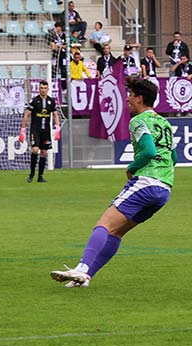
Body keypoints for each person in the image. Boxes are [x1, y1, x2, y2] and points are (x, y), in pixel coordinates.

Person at [50, 78, 176, 288]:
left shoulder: (138, 121)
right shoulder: (165, 123)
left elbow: (149, 151)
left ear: (139, 98)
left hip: (146, 182)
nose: (127, 98)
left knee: (104, 225)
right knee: (117, 232)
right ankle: (86, 277)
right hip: (164, 189)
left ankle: (81, 268)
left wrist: (132, 168)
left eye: (130, 94)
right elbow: (173, 159)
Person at [18, 80, 61, 183]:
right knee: (35, 149)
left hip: (46, 130)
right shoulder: (34, 101)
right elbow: (27, 115)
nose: (43, 90)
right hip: (35, 129)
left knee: (44, 152)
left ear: (48, 89)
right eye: (41, 88)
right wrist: (22, 130)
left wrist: (57, 129)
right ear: (39, 89)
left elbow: (55, 115)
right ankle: (32, 173)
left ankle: (40, 176)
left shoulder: (51, 101)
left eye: (45, 88)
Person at [49, 22, 67, 90]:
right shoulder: (53, 35)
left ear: (60, 28)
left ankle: (64, 87)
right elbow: (53, 46)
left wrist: (59, 46)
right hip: (55, 55)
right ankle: (53, 86)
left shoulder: (65, 35)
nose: (56, 29)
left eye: (57, 27)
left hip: (63, 56)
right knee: (53, 70)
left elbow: (67, 45)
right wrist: (59, 46)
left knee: (64, 71)